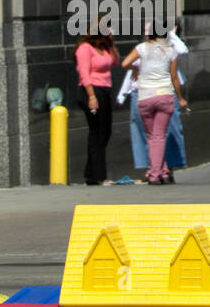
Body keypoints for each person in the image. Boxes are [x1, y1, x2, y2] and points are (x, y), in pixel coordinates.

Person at [117, 22, 189, 182]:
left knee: (151, 136)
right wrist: (181, 97)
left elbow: (124, 63)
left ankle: (159, 170)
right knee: (160, 136)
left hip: (145, 97)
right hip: (164, 95)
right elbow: (174, 77)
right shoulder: (170, 51)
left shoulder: (142, 48)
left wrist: (135, 69)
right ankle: (157, 173)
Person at [74, 25, 120, 185]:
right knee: (97, 131)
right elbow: (84, 73)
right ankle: (99, 175)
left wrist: (112, 43)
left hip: (105, 90)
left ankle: (91, 173)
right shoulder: (85, 49)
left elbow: (115, 61)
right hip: (92, 90)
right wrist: (91, 96)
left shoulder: (104, 47)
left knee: (105, 131)